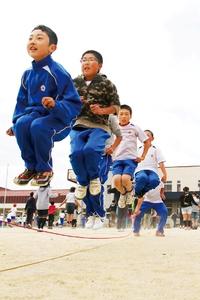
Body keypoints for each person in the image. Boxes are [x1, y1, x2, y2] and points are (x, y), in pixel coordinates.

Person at [6, 25, 81, 187]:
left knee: (38, 126)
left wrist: (55, 104)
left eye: (39, 38)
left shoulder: (58, 71)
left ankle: (45, 168)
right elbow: (21, 102)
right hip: (35, 115)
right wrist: (15, 124)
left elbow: (74, 103)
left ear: (52, 48)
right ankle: (31, 167)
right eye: (30, 38)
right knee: (21, 124)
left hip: (60, 118)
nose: (33, 41)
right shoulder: (27, 74)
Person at [70, 50, 120, 201]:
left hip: (100, 125)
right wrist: (74, 101)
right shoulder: (74, 83)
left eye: (91, 59)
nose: (86, 62)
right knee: (76, 154)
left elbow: (116, 107)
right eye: (83, 60)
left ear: (99, 65)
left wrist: (102, 110)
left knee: (90, 150)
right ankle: (82, 181)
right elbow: (64, 102)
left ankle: (94, 178)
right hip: (79, 124)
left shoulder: (107, 84)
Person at [83, 114, 122, 230]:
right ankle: (91, 214)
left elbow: (119, 135)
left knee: (97, 183)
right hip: (88, 155)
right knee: (84, 184)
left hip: (103, 154)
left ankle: (100, 214)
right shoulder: (87, 115)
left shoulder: (111, 117)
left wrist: (112, 147)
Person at [112, 104, 150, 209]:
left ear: (130, 116)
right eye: (121, 114)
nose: (123, 116)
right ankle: (123, 194)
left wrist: (142, 156)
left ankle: (130, 191)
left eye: (126, 114)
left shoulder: (134, 128)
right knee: (116, 181)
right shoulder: (114, 128)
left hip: (130, 159)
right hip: (117, 160)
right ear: (117, 116)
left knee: (124, 179)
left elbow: (146, 141)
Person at [133, 129, 167, 216]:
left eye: (148, 135)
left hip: (152, 170)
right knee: (142, 178)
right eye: (144, 135)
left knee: (155, 181)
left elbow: (161, 162)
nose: (146, 137)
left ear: (152, 138)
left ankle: (141, 193)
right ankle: (137, 194)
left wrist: (165, 174)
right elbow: (133, 162)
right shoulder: (138, 149)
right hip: (140, 170)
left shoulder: (155, 149)